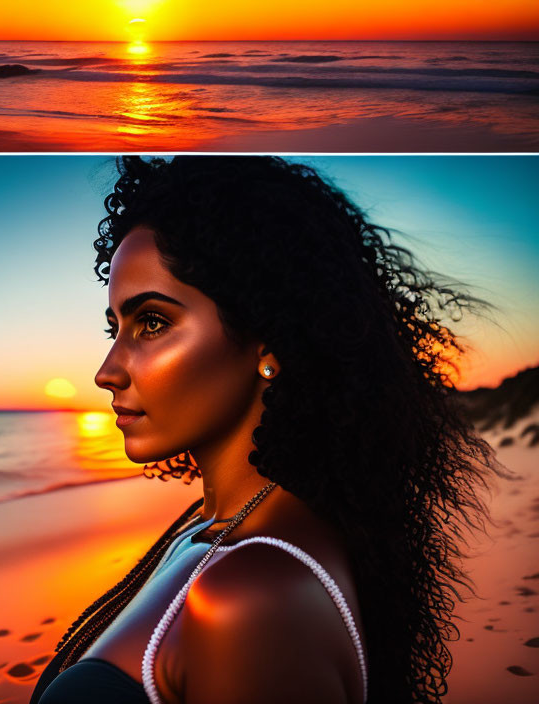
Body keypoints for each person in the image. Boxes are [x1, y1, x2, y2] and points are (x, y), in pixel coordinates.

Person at [29, 156, 502, 704]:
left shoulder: (249, 597)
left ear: (269, 341)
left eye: (152, 323)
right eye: (116, 328)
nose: (107, 371)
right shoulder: (210, 528)